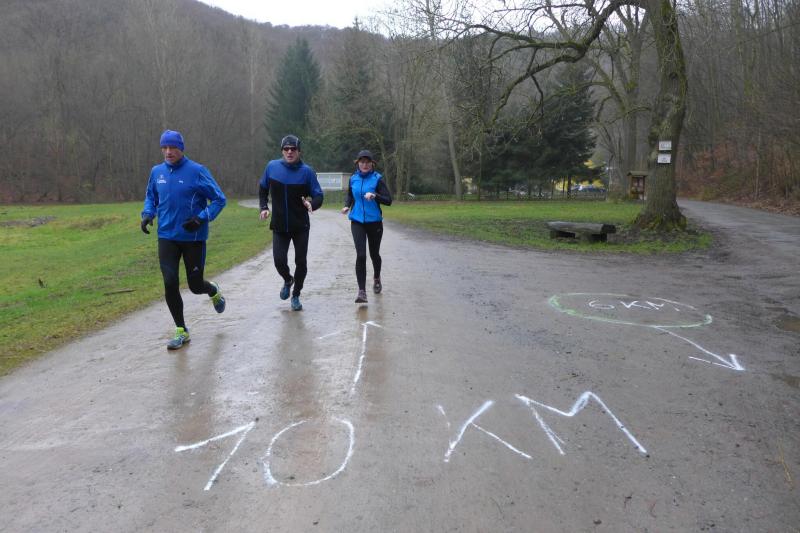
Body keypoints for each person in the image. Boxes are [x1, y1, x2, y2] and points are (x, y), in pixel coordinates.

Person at [141, 129, 227, 350]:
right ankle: (181, 330)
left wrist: (201, 218)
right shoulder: (157, 172)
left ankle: (212, 290)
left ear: (181, 148)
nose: (168, 152)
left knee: (195, 286)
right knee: (170, 282)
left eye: (173, 147)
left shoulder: (197, 171)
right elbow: (151, 196)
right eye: (164, 147)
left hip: (193, 237)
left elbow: (219, 199)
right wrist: (148, 214)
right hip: (166, 236)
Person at [259, 134, 324, 311]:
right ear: (282, 151)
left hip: (300, 226)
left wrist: (312, 204)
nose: (289, 152)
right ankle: (288, 280)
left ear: (299, 151)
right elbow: (263, 188)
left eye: (293, 149)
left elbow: (319, 195)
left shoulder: (307, 172)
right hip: (279, 225)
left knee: (301, 262)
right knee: (279, 261)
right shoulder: (272, 167)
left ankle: (296, 295)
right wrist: (264, 207)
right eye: (286, 149)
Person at [341, 149, 392, 303]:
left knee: (374, 254)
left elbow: (388, 200)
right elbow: (350, 195)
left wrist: (375, 195)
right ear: (358, 163)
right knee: (361, 255)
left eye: (367, 162)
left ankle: (376, 278)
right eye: (362, 162)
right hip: (357, 221)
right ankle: (362, 291)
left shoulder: (377, 179)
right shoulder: (353, 178)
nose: (364, 165)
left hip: (374, 222)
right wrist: (347, 205)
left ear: (372, 164)